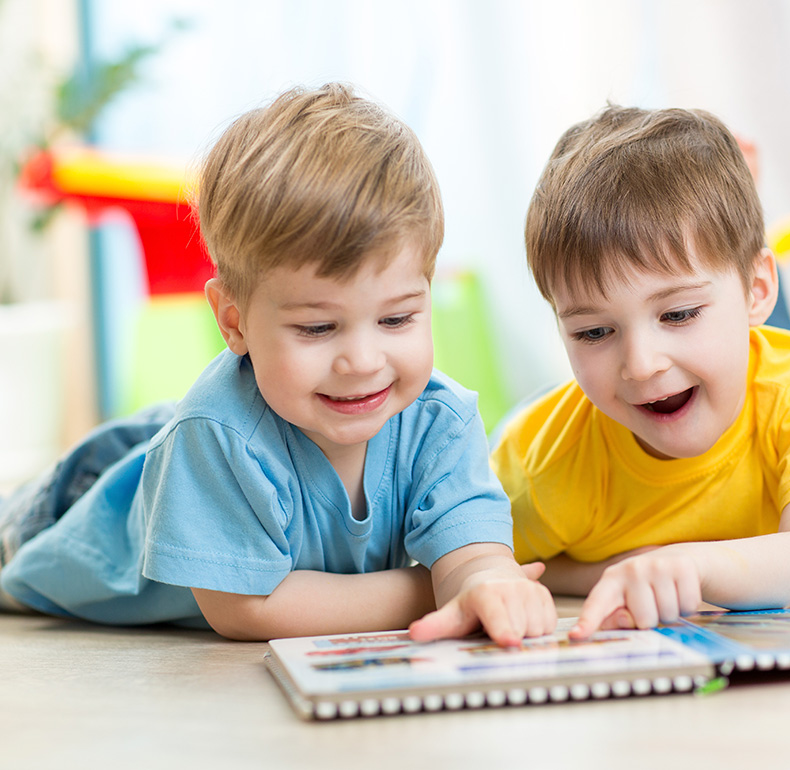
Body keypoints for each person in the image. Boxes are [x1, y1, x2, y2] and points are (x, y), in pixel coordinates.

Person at [0, 83, 556, 646]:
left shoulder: (442, 423)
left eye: (396, 320)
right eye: (318, 328)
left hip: (174, 449)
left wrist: (482, 581)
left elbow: (474, 553)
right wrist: (431, 588)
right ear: (234, 323)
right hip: (65, 515)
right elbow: (249, 611)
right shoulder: (219, 438)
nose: (363, 362)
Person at [491, 104, 790, 640]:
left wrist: (688, 567)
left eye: (677, 314)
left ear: (759, 287)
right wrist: (613, 571)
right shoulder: (541, 468)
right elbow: (482, 564)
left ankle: (742, 229)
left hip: (755, 341)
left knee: (756, 331)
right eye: (593, 332)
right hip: (543, 414)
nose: (642, 365)